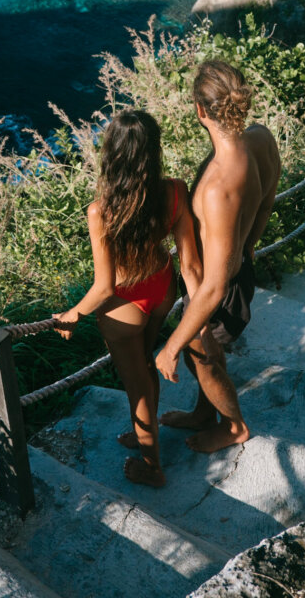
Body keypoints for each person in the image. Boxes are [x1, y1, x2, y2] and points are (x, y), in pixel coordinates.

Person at [53, 109, 200, 488]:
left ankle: (153, 466)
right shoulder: (175, 189)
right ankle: (143, 433)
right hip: (163, 290)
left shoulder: (101, 212)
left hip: (125, 307)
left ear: (112, 155)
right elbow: (188, 258)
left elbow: (104, 287)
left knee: (135, 385)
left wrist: (73, 314)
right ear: (153, 151)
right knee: (146, 368)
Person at [155, 60, 280, 453]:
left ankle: (233, 426)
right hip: (237, 267)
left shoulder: (216, 187)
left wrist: (172, 345)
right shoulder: (261, 139)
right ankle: (203, 413)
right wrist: (247, 245)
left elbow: (213, 286)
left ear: (200, 110)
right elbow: (266, 203)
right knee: (203, 356)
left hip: (217, 288)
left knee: (201, 357)